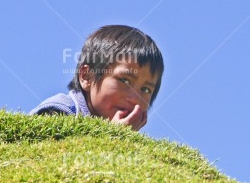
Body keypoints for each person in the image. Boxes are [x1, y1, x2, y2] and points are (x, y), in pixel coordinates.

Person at [29, 25, 164, 131]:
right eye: (125, 80)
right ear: (87, 76)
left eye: (145, 90)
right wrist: (114, 135)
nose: (135, 98)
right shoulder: (59, 111)